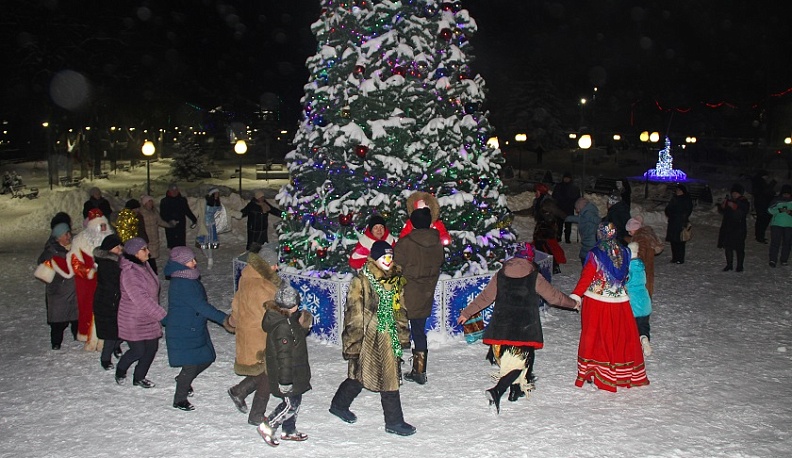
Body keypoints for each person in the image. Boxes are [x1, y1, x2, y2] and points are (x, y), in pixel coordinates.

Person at [456, 242, 578, 413]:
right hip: (525, 326)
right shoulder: (534, 276)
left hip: (502, 324)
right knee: (521, 362)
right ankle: (498, 390)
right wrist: (573, 304)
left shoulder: (501, 274)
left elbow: (486, 297)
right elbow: (554, 297)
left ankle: (516, 390)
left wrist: (467, 313)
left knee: (510, 359)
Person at [329, 241, 416, 436]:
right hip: (368, 338)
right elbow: (354, 316)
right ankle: (341, 405)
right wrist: (353, 344)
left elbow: (399, 310)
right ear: (374, 260)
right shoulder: (361, 281)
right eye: (384, 257)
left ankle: (391, 420)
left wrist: (402, 334)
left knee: (386, 377)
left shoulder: (395, 281)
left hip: (388, 337)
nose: (388, 261)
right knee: (362, 376)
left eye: (390, 257)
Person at [569, 223, 649, 392]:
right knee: (618, 335)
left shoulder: (596, 254)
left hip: (597, 302)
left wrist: (576, 295)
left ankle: (597, 371)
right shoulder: (625, 252)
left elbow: (587, 277)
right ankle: (620, 372)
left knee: (596, 335)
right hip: (620, 301)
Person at [163, 246, 233, 411]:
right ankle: (179, 398)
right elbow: (201, 306)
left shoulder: (186, 277)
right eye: (191, 260)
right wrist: (224, 319)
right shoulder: (182, 283)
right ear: (181, 263)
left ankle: (183, 379)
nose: (195, 262)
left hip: (193, 327)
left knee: (207, 357)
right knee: (191, 365)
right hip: (184, 329)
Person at [228, 246, 281, 426]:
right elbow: (271, 315)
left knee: (263, 370)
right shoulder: (262, 286)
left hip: (249, 333)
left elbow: (236, 303)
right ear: (266, 265)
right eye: (274, 265)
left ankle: (240, 391)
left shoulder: (247, 278)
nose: (277, 268)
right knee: (268, 372)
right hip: (260, 335)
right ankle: (256, 414)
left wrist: (235, 321)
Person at [256, 281, 313, 447]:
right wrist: (285, 381)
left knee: (296, 400)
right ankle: (268, 426)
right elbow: (284, 356)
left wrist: (303, 324)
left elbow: (296, 336)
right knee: (290, 405)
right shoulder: (282, 327)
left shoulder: (287, 319)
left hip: (296, 369)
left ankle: (289, 430)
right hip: (287, 372)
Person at [393, 207, 444, 385]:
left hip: (406, 293)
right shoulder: (437, 242)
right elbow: (439, 264)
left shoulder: (405, 243)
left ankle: (394, 372)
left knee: (397, 330)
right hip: (426, 292)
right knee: (418, 331)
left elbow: (395, 268)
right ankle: (419, 371)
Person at [115, 237, 166, 388]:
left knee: (151, 348)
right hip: (133, 319)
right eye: (144, 249)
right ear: (135, 253)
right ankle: (121, 369)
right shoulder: (130, 272)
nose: (148, 252)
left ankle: (139, 377)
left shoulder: (144, 265)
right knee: (138, 351)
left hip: (148, 316)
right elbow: (141, 299)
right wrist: (162, 315)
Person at [68, 208, 115, 351]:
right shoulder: (80, 240)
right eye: (99, 226)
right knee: (89, 309)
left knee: (108, 309)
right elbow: (74, 261)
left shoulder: (110, 238)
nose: (102, 228)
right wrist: (88, 272)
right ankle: (91, 338)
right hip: (88, 282)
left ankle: (105, 339)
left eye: (104, 225)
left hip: (107, 280)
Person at [36, 222, 78, 350]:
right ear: (58, 237)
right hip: (58, 292)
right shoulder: (51, 251)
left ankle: (77, 335)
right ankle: (56, 342)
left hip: (72, 289)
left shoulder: (73, 248)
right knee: (58, 319)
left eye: (69, 233)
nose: (68, 236)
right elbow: (42, 265)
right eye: (66, 234)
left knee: (76, 315)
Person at [92, 234, 124, 370]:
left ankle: (116, 346)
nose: (120, 249)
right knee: (111, 333)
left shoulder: (115, 262)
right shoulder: (108, 265)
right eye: (117, 247)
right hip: (108, 302)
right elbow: (113, 284)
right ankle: (105, 358)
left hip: (114, 300)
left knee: (121, 329)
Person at [624, 215, 664, 297]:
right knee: (647, 281)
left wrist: (634, 258)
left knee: (643, 283)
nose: (629, 233)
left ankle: (644, 301)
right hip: (647, 263)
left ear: (635, 229)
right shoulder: (643, 235)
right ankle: (646, 299)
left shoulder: (641, 237)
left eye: (630, 231)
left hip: (643, 264)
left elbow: (641, 250)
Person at [626, 242, 653, 357]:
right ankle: (644, 337)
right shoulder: (641, 266)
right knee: (643, 325)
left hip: (632, 303)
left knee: (631, 326)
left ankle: (631, 348)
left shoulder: (628, 269)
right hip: (645, 301)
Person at [717, 183, 750, 272]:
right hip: (728, 227)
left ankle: (740, 266)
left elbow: (741, 213)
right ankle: (729, 264)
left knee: (739, 248)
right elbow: (724, 212)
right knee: (728, 247)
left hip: (739, 228)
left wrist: (734, 206)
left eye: (737, 193)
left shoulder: (744, 202)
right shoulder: (730, 201)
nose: (734, 194)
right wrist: (722, 207)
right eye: (733, 193)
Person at [139, 195, 174, 274]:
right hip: (145, 237)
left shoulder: (154, 211)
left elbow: (160, 221)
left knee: (152, 255)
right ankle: (149, 271)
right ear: (144, 203)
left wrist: (169, 225)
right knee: (146, 255)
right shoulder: (140, 212)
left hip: (154, 237)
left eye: (151, 201)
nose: (151, 203)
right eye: (149, 201)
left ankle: (152, 271)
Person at [160, 183, 197, 249]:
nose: (174, 192)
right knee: (172, 244)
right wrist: (169, 221)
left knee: (181, 243)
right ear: (169, 191)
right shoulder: (164, 201)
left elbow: (187, 211)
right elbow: (162, 214)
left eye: (176, 190)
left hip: (180, 225)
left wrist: (194, 219)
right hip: (170, 225)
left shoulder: (182, 200)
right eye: (172, 190)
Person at [565, 197, 600, 265]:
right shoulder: (586, 212)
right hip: (588, 239)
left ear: (580, 207)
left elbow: (597, 220)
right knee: (585, 256)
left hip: (590, 239)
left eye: (577, 209)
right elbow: (581, 219)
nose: (577, 211)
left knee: (586, 257)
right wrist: (568, 218)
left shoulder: (588, 213)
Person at [664, 184, 694, 264]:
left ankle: (680, 258)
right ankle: (674, 257)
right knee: (673, 241)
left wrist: (681, 218)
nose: (677, 192)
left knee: (680, 241)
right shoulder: (674, 199)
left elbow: (687, 210)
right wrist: (669, 213)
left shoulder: (686, 199)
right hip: (673, 222)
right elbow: (668, 208)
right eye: (677, 190)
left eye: (679, 190)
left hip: (680, 222)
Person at [195, 188, 222, 268]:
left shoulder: (217, 204)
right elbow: (197, 211)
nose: (217, 195)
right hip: (204, 225)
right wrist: (193, 219)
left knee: (209, 243)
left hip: (211, 225)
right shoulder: (204, 202)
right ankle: (208, 257)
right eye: (216, 193)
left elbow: (224, 211)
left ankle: (210, 259)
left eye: (218, 194)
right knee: (202, 243)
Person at [552, 171, 581, 243]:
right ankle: (558, 237)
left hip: (569, 208)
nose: (566, 179)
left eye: (568, 178)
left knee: (568, 225)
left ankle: (567, 238)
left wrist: (577, 207)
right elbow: (554, 196)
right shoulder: (559, 186)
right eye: (565, 178)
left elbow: (577, 199)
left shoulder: (574, 188)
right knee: (559, 225)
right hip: (560, 208)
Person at [768, 184, 792, 267]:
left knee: (787, 243)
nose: (786, 195)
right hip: (776, 224)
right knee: (775, 242)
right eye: (784, 193)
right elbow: (770, 210)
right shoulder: (776, 200)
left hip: (789, 225)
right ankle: (773, 259)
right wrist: (779, 210)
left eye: (788, 193)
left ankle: (784, 259)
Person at [751, 171, 776, 244]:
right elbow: (766, 191)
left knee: (761, 221)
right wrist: (773, 183)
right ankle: (760, 236)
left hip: (761, 204)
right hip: (763, 205)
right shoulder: (760, 182)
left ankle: (759, 236)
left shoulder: (757, 182)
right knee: (762, 221)